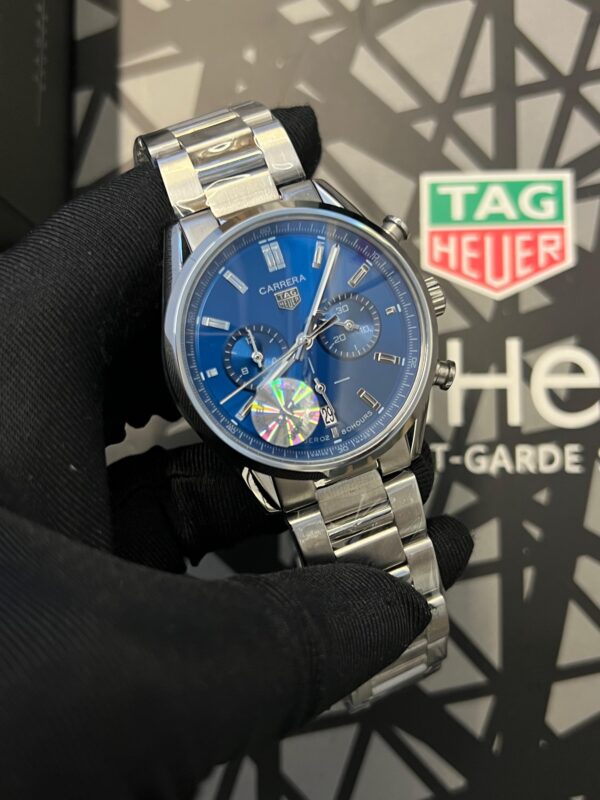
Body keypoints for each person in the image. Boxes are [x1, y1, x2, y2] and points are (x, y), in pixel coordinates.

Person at [0, 106, 472, 799]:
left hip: (351, 425)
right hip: (288, 436)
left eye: (318, 327)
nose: (306, 337)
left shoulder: (356, 305)